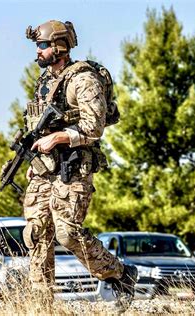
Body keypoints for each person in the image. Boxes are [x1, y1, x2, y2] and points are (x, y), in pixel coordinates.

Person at [21, 20, 137, 309]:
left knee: (67, 233)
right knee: (36, 233)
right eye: (38, 45)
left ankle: (119, 274)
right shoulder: (45, 81)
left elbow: (93, 127)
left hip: (72, 167)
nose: (38, 50)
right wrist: (34, 159)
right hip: (43, 169)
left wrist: (59, 137)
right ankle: (41, 305)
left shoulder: (83, 79)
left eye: (43, 45)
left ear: (59, 46)